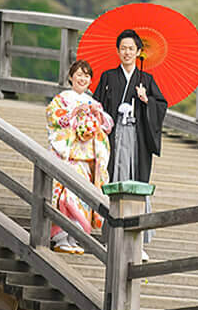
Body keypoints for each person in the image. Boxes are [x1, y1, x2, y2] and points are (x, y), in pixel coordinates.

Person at [92, 28, 168, 260]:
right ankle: (110, 236)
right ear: (118, 51)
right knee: (112, 178)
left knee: (135, 181)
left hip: (136, 137)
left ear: (138, 52)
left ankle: (137, 241)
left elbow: (161, 105)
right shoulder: (108, 76)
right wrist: (110, 115)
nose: (126, 52)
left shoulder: (146, 79)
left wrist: (146, 101)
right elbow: (96, 105)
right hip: (113, 136)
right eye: (123, 48)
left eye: (131, 49)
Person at [46, 59, 114, 255]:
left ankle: (74, 237)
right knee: (67, 196)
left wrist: (98, 116)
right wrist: (75, 113)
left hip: (87, 161)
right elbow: (54, 119)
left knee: (82, 198)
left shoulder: (93, 102)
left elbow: (107, 127)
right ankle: (60, 237)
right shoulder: (62, 99)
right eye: (79, 74)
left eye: (87, 75)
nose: (83, 78)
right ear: (70, 77)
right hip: (70, 157)